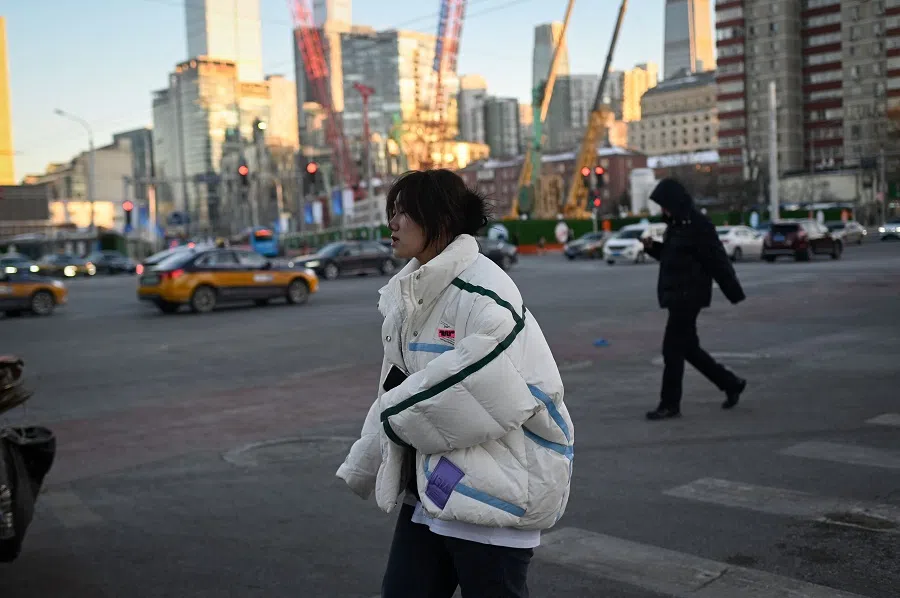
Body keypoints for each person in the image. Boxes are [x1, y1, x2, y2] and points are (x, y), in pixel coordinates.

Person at [336, 169, 574, 598]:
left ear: (441, 221)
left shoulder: (483, 292)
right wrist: (365, 459)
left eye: (404, 212)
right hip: (433, 489)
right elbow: (398, 385)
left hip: (495, 491)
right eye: (392, 210)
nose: (392, 222)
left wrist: (392, 422)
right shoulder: (413, 294)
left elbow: (485, 390)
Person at [641, 178, 747, 421]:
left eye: (664, 205)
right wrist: (652, 248)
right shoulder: (677, 225)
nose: (662, 211)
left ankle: (670, 404)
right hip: (677, 296)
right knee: (688, 349)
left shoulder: (698, 225)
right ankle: (731, 383)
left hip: (689, 297)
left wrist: (733, 291)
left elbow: (717, 259)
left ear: (674, 202)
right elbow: (671, 256)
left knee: (672, 351)